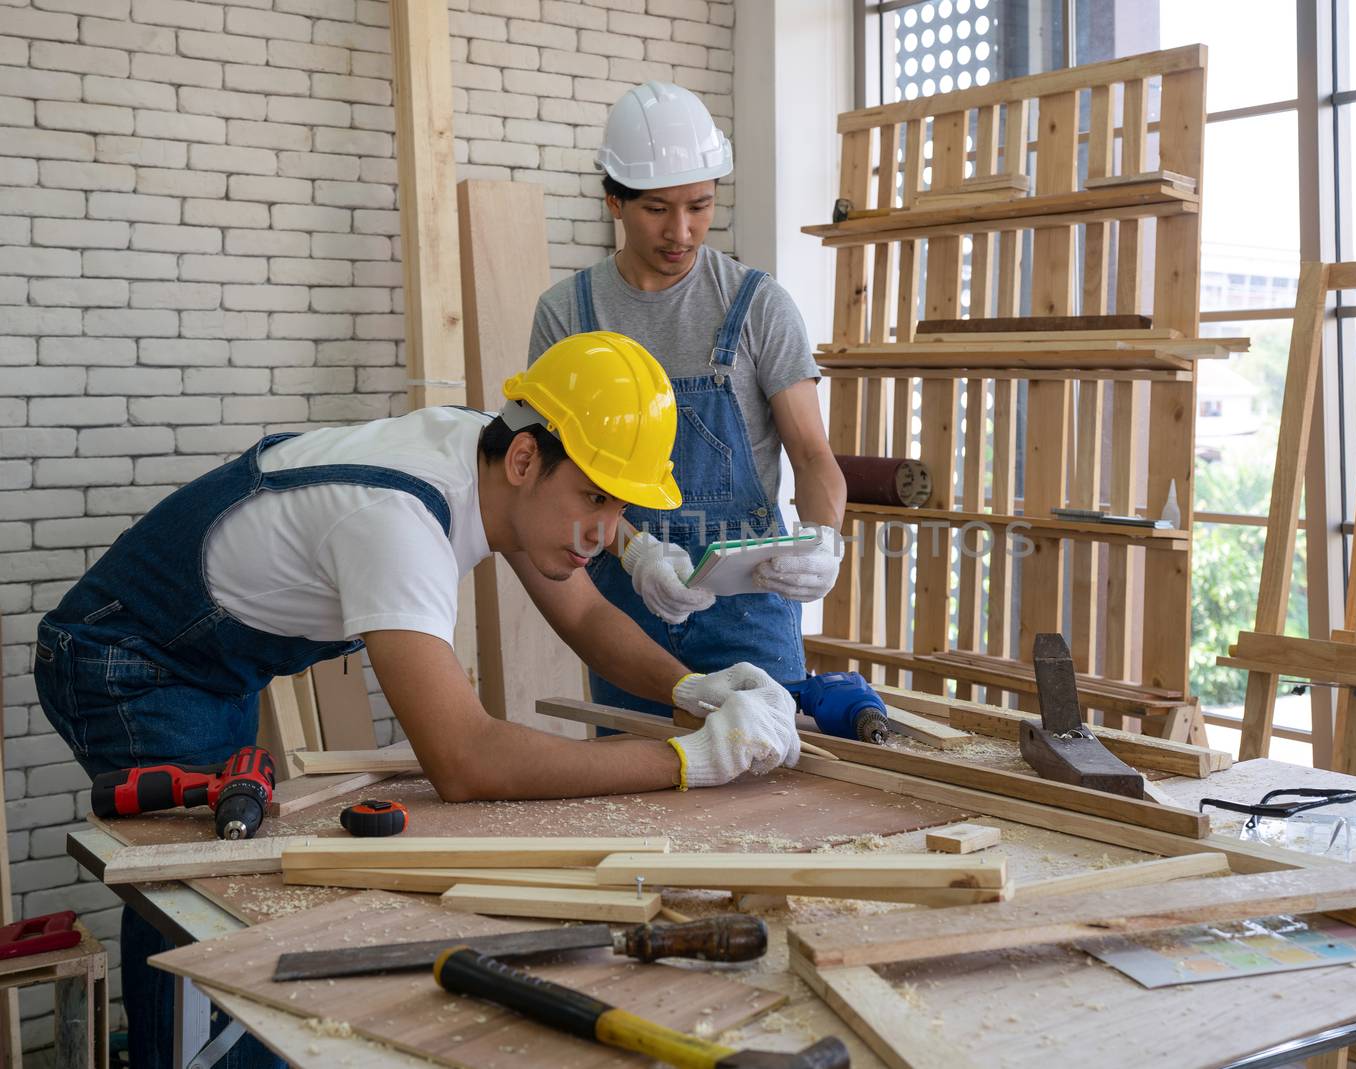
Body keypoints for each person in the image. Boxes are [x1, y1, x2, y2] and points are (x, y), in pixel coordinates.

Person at [34, 331, 800, 1068]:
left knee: (217, 896)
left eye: (620, 508)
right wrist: (690, 760)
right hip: (125, 658)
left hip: (208, 661)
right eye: (596, 497)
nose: (605, 531)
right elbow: (463, 759)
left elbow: (591, 619)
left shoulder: (495, 458)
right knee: (199, 900)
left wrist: (689, 687)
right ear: (529, 458)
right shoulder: (399, 520)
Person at [532, 81, 847, 718]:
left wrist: (823, 539)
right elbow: (555, 477)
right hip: (626, 604)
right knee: (634, 790)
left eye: (700, 207)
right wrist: (638, 552)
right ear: (613, 201)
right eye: (657, 209)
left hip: (751, 608)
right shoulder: (567, 314)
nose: (682, 231)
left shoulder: (756, 303)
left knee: (769, 796)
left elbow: (812, 455)